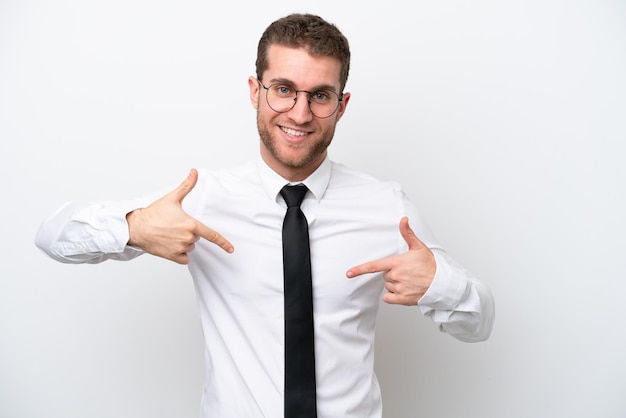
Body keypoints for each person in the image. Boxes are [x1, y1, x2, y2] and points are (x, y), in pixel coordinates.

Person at [35, 13, 495, 418]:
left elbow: (480, 324)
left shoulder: (386, 207)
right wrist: (132, 227)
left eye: (320, 95)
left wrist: (439, 283)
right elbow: (52, 235)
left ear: (342, 105)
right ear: (255, 90)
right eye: (283, 90)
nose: (299, 113)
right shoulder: (201, 198)